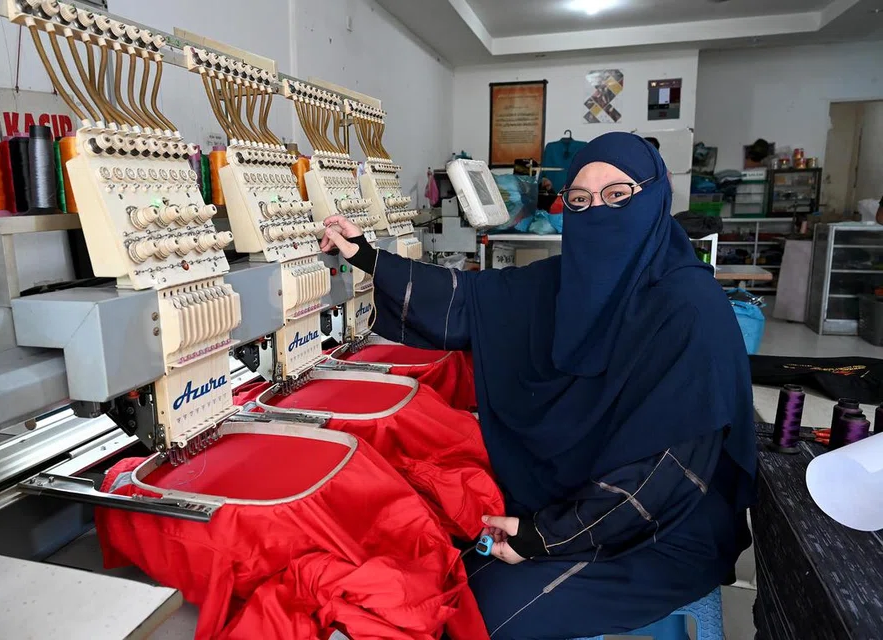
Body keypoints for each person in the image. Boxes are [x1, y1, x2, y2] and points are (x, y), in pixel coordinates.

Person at [320, 132, 756, 639]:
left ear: (655, 197)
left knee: (477, 614)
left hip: (661, 527)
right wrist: (368, 257)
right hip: (574, 494)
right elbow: (471, 301)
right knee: (439, 567)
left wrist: (546, 536)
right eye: (580, 200)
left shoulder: (689, 310)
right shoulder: (563, 281)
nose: (598, 212)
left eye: (618, 195)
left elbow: (665, 474)